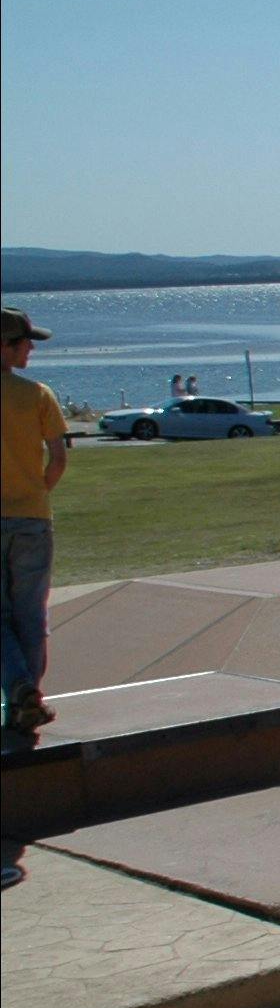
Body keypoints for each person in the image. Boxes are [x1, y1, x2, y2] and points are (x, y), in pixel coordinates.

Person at [3, 308, 71, 745]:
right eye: (25, 342)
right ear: (5, 347)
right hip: (31, 519)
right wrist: (36, 491)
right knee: (30, 615)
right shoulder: (38, 395)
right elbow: (58, 458)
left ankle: (20, 693)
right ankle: (27, 698)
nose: (31, 348)